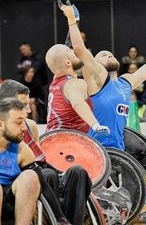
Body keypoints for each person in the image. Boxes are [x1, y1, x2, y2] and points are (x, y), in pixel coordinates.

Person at [59, 0, 146, 150]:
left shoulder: (124, 83)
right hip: (96, 149)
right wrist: (72, 21)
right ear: (95, 63)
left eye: (111, 54)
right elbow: (79, 49)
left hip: (118, 150)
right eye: (104, 55)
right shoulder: (96, 78)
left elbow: (143, 73)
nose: (109, 55)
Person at [0, 79, 91, 225]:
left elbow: (41, 172)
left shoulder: (23, 144)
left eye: (27, 106)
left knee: (73, 172)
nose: (28, 111)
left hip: (24, 188)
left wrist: (60, 217)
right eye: (23, 107)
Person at [45, 44, 110, 135]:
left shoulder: (54, 83)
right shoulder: (75, 83)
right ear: (68, 63)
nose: (75, 52)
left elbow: (56, 64)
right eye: (72, 52)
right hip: (66, 140)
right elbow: (77, 103)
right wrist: (95, 125)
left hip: (49, 139)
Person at [0, 97, 40, 224]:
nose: (24, 128)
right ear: (1, 124)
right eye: (18, 123)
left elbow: (42, 183)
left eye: (24, 122)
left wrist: (59, 215)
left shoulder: (22, 149)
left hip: (11, 202)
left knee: (31, 176)